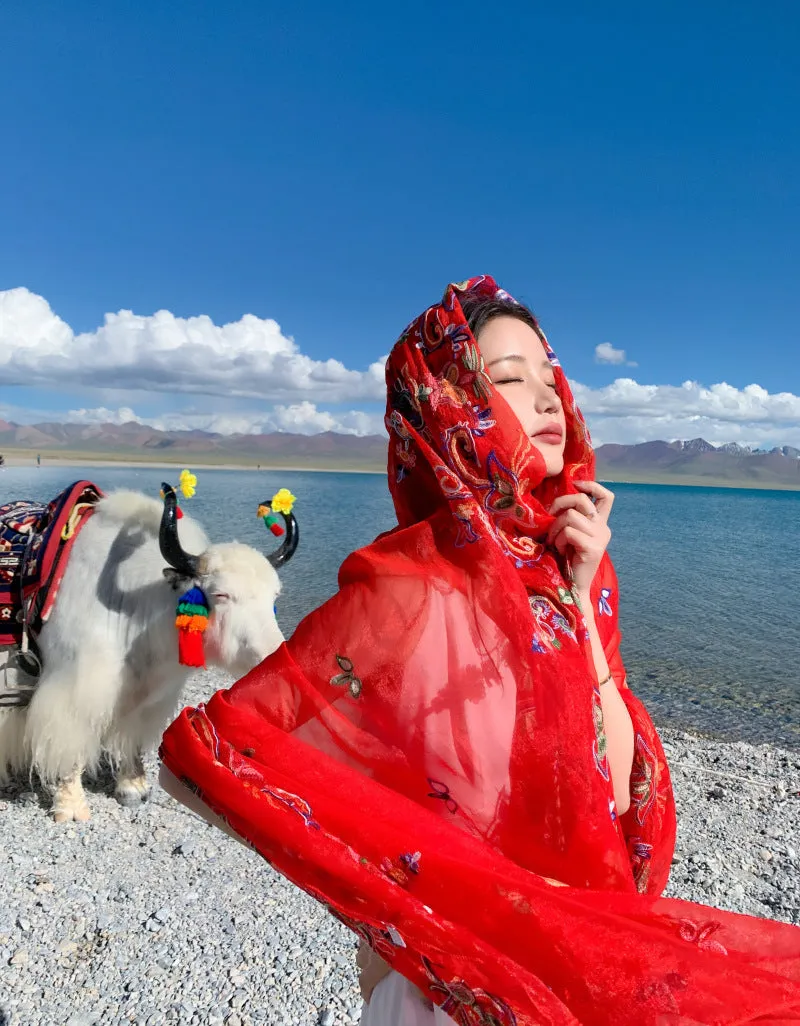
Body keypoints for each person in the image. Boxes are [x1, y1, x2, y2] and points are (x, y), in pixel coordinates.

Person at [160, 276, 800, 1024]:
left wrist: (581, 604)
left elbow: (616, 790)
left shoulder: (575, 570)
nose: (548, 394)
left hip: (582, 958)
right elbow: (208, 757)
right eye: (507, 378)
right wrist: (390, 892)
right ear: (449, 410)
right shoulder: (407, 587)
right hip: (452, 988)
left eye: (548, 373)